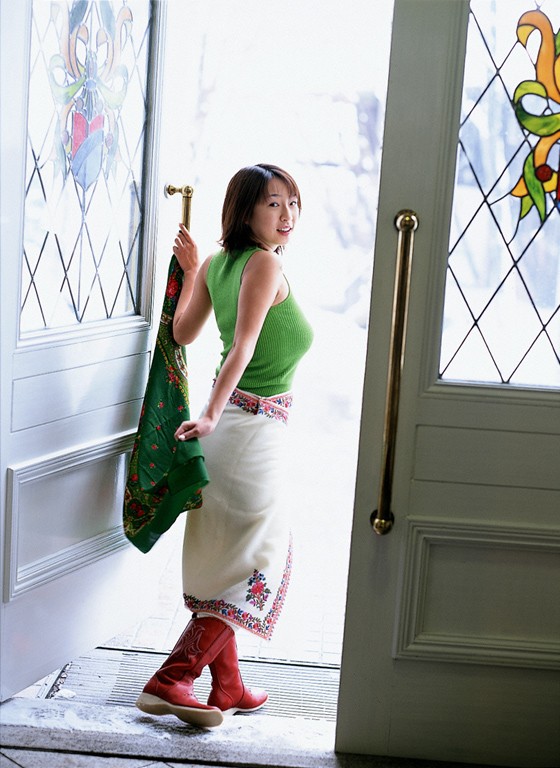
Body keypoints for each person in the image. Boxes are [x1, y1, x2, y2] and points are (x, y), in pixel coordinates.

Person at [135, 164, 313, 728]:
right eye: (273, 204)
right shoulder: (264, 264)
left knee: (231, 557)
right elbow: (242, 347)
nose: (287, 215)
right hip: (247, 430)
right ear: (245, 211)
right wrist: (210, 413)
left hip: (233, 430)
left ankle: (228, 685)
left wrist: (193, 273)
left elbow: (183, 333)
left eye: (292, 203)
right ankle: (172, 678)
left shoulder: (218, 262)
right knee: (258, 557)